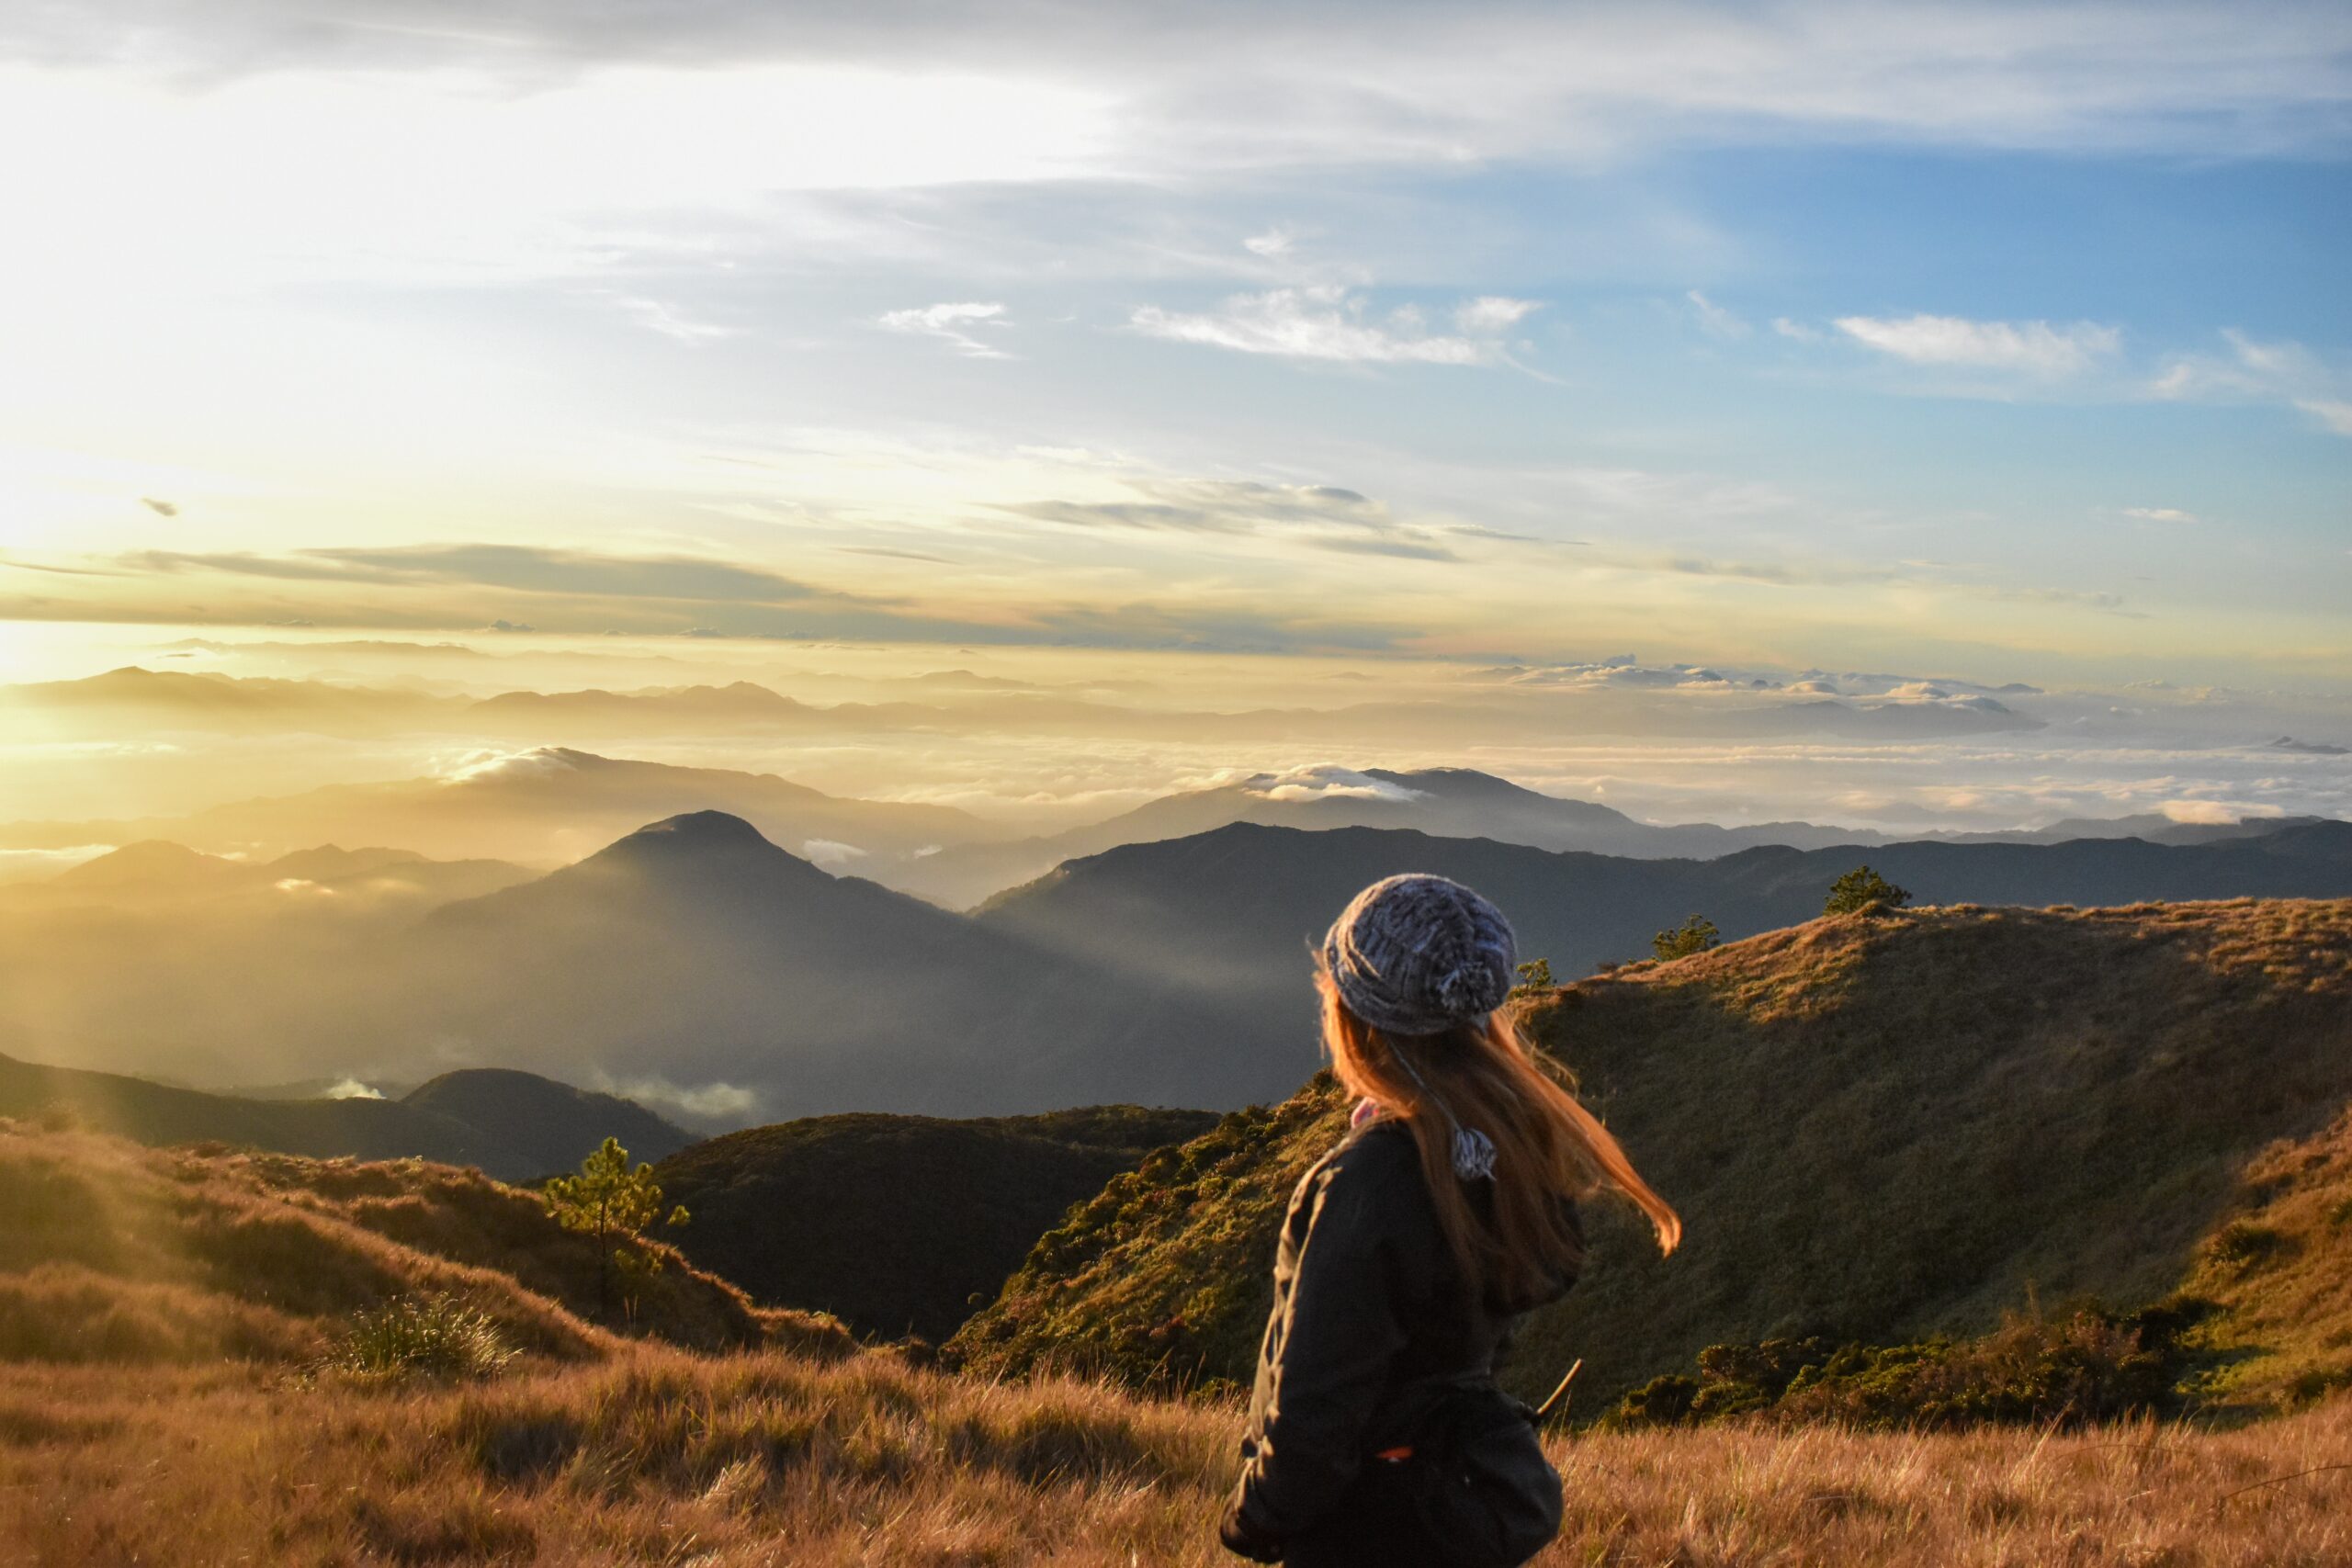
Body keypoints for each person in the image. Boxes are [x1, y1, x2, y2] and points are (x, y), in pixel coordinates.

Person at [1218, 874, 1682, 1567]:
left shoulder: (1370, 1182)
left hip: (1362, 1529)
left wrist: (1252, 1518)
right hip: (1447, 1511)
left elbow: (1318, 1405)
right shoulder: (1514, 1154)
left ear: (1353, 1015)